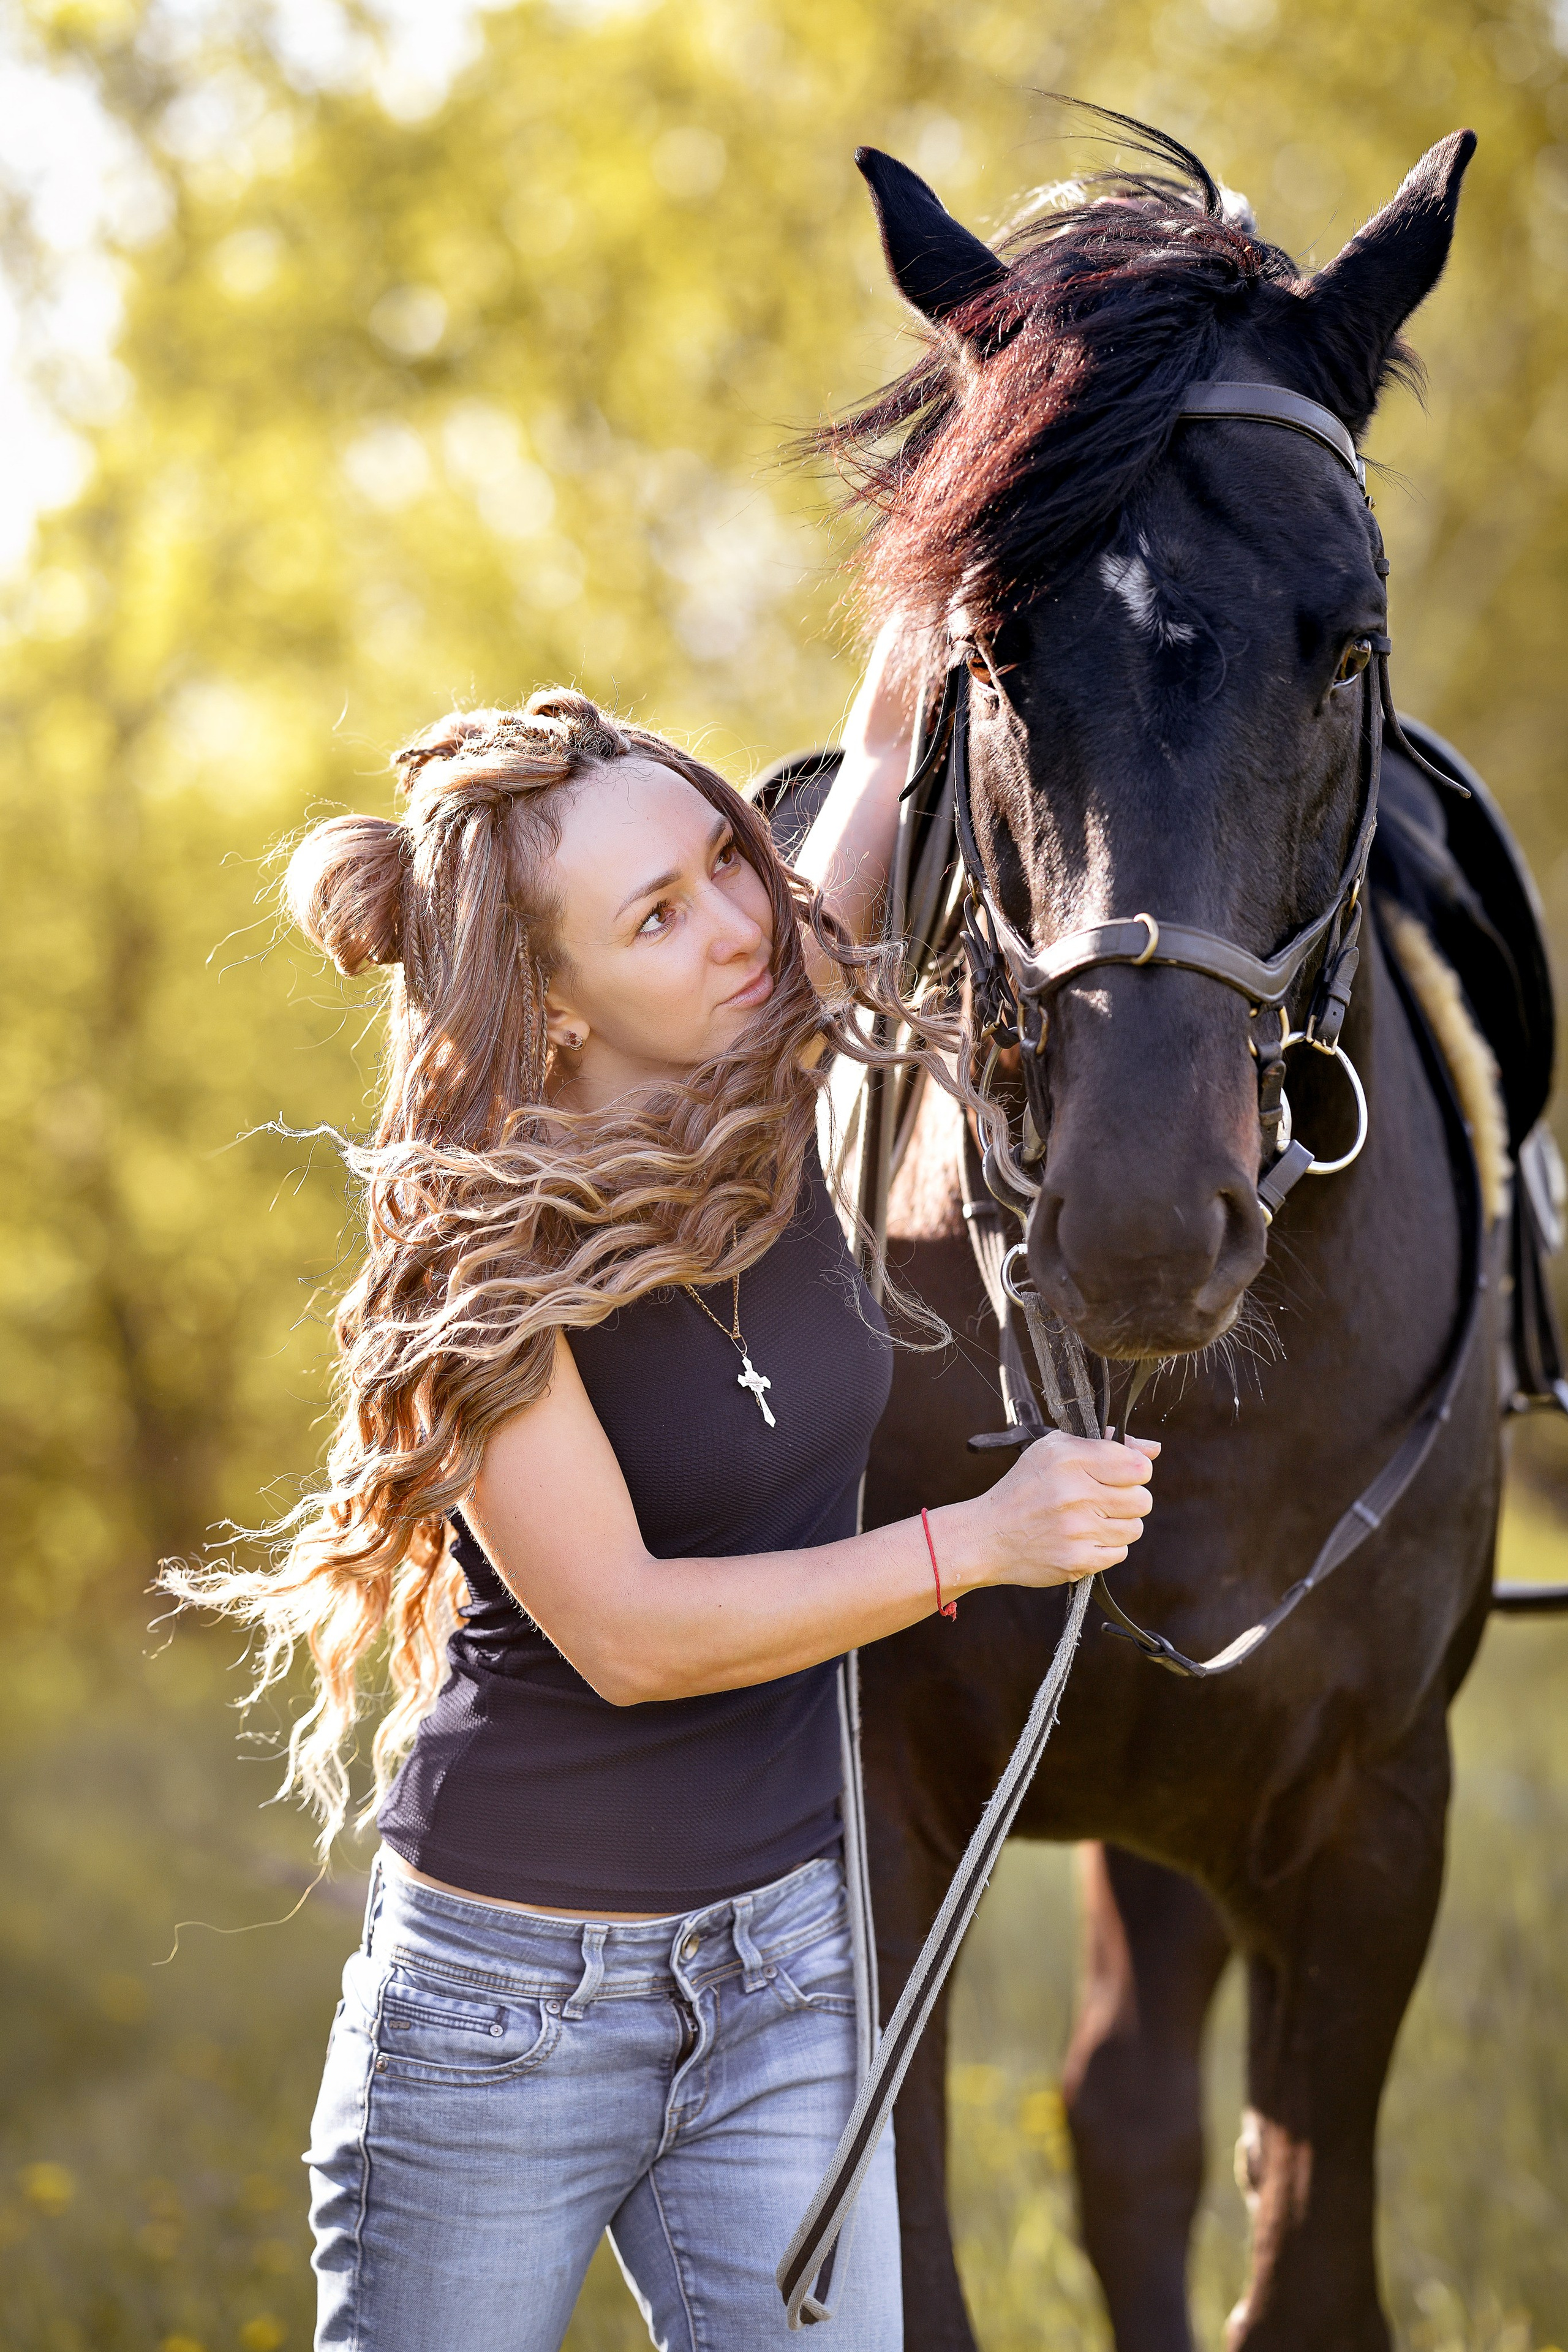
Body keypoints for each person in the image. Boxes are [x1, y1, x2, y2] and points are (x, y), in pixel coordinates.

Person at [165, 630, 1156, 2352]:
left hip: (787, 1974)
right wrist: (983, 1545)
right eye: (660, 915)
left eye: (722, 859)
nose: (739, 923)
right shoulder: (463, 1262)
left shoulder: (754, 1078)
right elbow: (629, 1633)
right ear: (550, 1004)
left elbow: (845, 827)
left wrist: (913, 660)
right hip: (505, 2014)